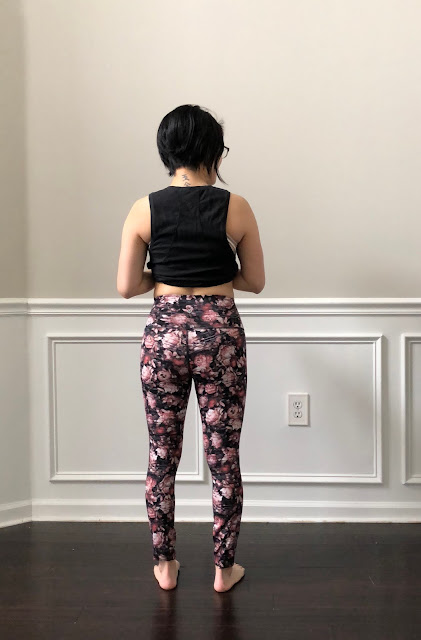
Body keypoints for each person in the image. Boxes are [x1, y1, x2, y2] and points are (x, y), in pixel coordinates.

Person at [117, 104, 265, 592]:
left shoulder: (144, 208)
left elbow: (126, 286)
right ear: (213, 151)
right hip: (220, 334)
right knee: (223, 455)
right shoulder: (236, 206)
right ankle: (224, 570)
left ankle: (165, 566)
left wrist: (164, 277)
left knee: (162, 453)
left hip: (163, 333)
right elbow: (255, 281)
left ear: (167, 151)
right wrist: (216, 276)